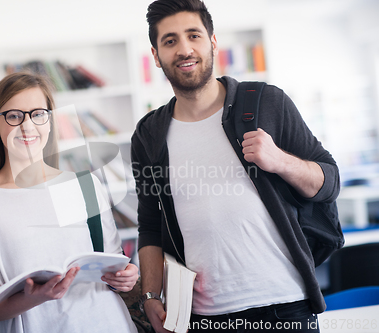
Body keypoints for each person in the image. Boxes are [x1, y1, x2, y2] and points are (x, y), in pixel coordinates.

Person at [131, 0, 340, 332]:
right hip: (204, 317)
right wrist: (151, 296)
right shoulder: (149, 134)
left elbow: (329, 182)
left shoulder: (266, 102)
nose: (184, 49)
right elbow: (150, 225)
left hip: (285, 308)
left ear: (212, 43)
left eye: (193, 35)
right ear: (156, 55)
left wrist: (280, 161)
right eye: (170, 41)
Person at [0, 72, 139, 333]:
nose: (27, 126)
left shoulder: (85, 185)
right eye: (14, 116)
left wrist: (127, 277)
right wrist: (34, 298)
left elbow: (113, 264)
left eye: (38, 114)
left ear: (49, 122)